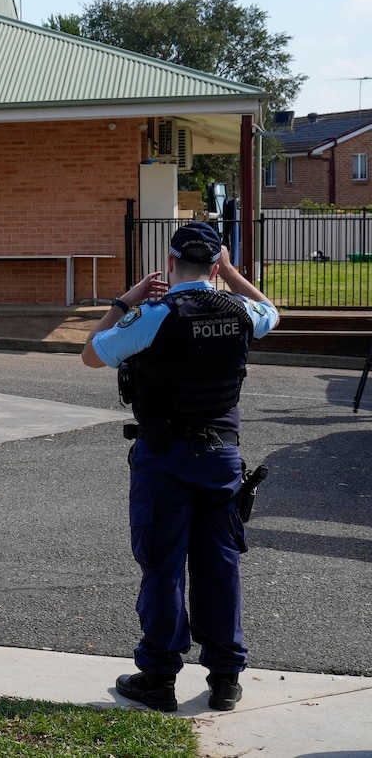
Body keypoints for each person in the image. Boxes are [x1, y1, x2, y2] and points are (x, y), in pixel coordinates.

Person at [82, 221, 278, 713]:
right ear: (214, 265)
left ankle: (159, 676)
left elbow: (90, 354)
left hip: (165, 458)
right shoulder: (241, 312)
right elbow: (273, 310)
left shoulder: (155, 314)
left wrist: (125, 301)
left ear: (170, 264)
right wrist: (232, 274)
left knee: (163, 567)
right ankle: (226, 677)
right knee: (220, 566)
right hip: (221, 458)